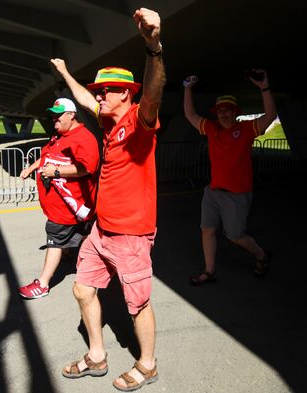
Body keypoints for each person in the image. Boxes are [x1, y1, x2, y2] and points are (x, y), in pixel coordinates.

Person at [51, 7, 165, 391]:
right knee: (83, 288)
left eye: (107, 90)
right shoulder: (106, 119)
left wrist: (153, 47)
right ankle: (97, 356)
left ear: (125, 94)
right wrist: (66, 73)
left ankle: (147, 364)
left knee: (137, 305)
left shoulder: (138, 121)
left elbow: (152, 93)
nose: (100, 94)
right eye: (100, 89)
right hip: (102, 230)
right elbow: (84, 99)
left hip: (132, 234)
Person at [183, 71, 276, 285]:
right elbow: (190, 115)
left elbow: (270, 116)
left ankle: (261, 255)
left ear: (235, 112)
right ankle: (209, 271)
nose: (224, 114)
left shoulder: (246, 129)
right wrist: (187, 89)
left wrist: (264, 88)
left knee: (235, 236)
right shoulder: (212, 128)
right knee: (207, 230)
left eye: (228, 110)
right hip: (213, 191)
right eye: (221, 111)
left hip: (237, 194)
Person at [18, 97, 100, 299]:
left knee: (54, 241)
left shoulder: (84, 138)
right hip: (64, 207)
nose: (54, 118)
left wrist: (56, 172)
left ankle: (43, 284)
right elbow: (47, 157)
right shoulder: (59, 136)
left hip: (70, 206)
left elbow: (86, 168)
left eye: (58, 114)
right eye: (53, 114)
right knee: (84, 236)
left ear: (71, 115)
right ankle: (79, 259)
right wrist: (31, 168)